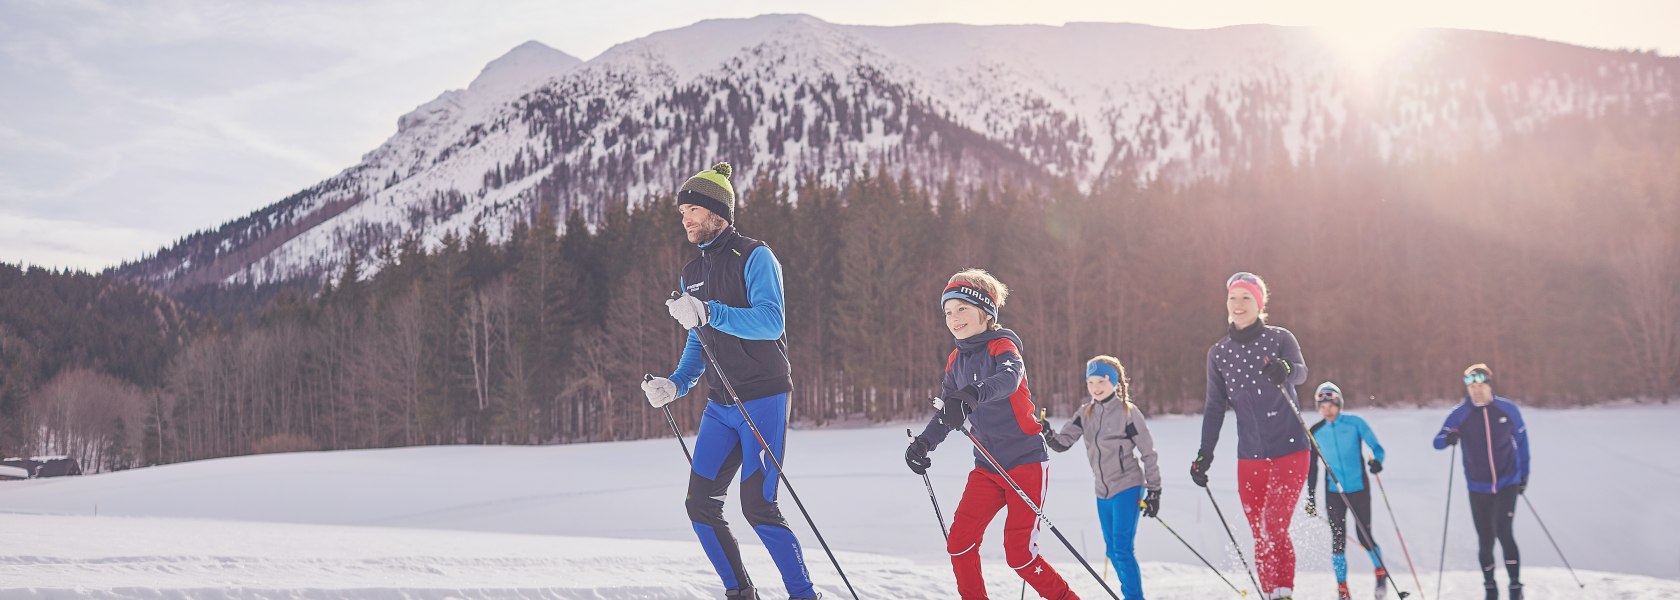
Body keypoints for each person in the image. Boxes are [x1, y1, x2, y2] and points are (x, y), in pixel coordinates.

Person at [641, 162, 818, 600]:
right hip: (720, 407)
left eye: (692, 210)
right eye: (682, 211)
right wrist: (676, 384)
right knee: (699, 506)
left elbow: (770, 322)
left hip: (763, 397)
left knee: (758, 506)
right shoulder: (690, 272)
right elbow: (699, 342)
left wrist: (710, 311)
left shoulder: (756, 255)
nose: (685, 218)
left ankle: (803, 595)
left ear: (717, 211)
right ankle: (741, 593)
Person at [904, 269, 1080, 600]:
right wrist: (924, 443)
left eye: (961, 309)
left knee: (1020, 555)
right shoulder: (955, 359)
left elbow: (1009, 380)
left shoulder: (1003, 345)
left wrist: (971, 394)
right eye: (947, 312)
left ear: (985, 312)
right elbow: (948, 412)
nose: (953, 318)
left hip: (1026, 463)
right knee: (958, 544)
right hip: (986, 467)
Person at [1189, 271, 1310, 600]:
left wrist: (1285, 368)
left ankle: (1284, 592)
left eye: (1246, 298)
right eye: (1233, 298)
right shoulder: (1219, 353)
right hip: (1250, 456)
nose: (1238, 304)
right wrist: (1205, 454)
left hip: (1290, 449)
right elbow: (1215, 408)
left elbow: (1300, 372)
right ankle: (1270, 593)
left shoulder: (1280, 338)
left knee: (1274, 525)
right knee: (1260, 531)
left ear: (1259, 303)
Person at [1042, 355, 1161, 600]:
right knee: (1111, 549)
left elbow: (1148, 452)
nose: (1095, 388)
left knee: (1122, 549)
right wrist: (1047, 433)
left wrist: (1154, 490)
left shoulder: (1128, 413)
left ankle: (1134, 598)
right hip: (1102, 491)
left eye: (1101, 382)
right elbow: (1063, 443)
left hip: (1128, 485)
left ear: (1115, 382)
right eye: (1091, 382)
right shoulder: (1085, 412)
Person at [1433, 363, 1530, 600]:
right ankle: (1490, 586)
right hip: (1478, 487)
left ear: (1489, 385)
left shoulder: (1507, 409)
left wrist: (1524, 475)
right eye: (1472, 387)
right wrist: (1450, 437)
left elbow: (1523, 442)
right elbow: (1437, 441)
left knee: (1504, 531)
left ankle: (1515, 586)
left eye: (1480, 385)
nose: (1476, 391)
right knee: (1485, 539)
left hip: (1507, 482)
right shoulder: (1461, 413)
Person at [1304, 381, 1389, 600]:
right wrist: (1310, 497)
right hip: (1334, 492)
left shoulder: (1355, 423)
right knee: (1338, 539)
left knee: (1364, 536)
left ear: (1339, 404)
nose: (1327, 410)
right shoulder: (1315, 431)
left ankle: (1380, 573)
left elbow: (1376, 447)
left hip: (1358, 487)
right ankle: (1342, 588)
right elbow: (1311, 469)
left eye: (1331, 405)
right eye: (1322, 406)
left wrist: (1377, 462)